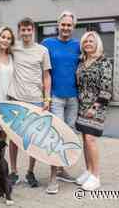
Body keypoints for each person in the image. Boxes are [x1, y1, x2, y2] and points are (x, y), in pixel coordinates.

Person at [0, 18, 52, 188]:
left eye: (28, 29)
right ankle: (6, 173)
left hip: (27, 102)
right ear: (19, 32)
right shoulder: (3, 51)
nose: (26, 33)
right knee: (2, 139)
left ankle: (27, 172)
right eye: (23, 30)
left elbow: (47, 76)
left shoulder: (37, 51)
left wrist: (47, 98)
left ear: (33, 30)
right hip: (4, 103)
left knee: (28, 139)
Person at [41, 11, 80, 194]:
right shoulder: (47, 44)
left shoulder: (78, 46)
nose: (66, 28)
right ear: (58, 25)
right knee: (56, 136)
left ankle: (63, 169)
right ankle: (53, 178)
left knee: (69, 136)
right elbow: (38, 65)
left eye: (69, 25)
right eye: (63, 24)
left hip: (73, 98)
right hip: (55, 97)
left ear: (73, 27)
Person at [75, 31, 113, 191]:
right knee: (84, 139)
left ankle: (96, 176)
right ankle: (89, 170)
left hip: (96, 106)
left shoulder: (104, 62)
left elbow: (107, 88)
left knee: (90, 139)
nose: (88, 44)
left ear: (97, 43)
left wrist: (95, 106)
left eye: (91, 41)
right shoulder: (82, 61)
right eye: (85, 42)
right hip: (82, 105)